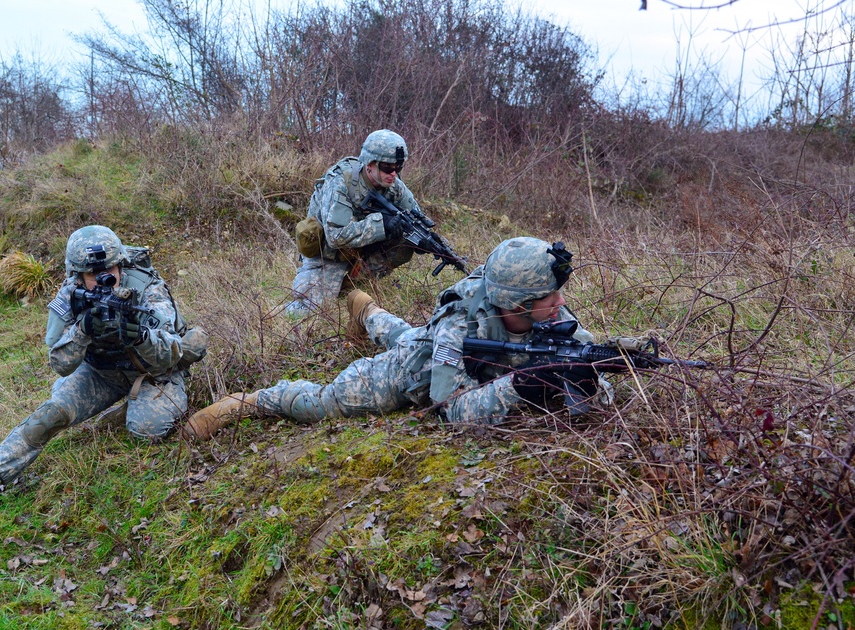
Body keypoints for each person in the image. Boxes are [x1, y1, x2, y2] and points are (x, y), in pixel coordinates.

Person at [186, 237, 613, 439]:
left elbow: (587, 359)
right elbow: (450, 409)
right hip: (419, 371)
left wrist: (588, 378)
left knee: (403, 333)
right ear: (514, 302)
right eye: (547, 296)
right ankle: (250, 401)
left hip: (441, 349)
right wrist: (522, 385)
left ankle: (368, 311)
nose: (560, 303)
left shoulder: (551, 311)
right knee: (327, 403)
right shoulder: (457, 324)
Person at [0, 225, 208, 536]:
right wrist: (83, 331)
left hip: (152, 372)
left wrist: (140, 337)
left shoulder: (147, 288)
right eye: (93, 273)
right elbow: (60, 364)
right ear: (76, 275)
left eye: (109, 269)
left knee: (146, 429)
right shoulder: (70, 295)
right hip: (101, 373)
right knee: (48, 417)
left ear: (120, 264)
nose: (104, 277)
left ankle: (128, 410)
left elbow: (169, 354)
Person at [286, 129, 424, 316]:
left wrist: (423, 239)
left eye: (398, 168)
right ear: (370, 164)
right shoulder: (341, 182)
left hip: (361, 251)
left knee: (405, 241)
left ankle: (353, 285)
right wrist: (382, 224)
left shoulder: (393, 185)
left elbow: (417, 216)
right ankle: (325, 290)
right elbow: (335, 237)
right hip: (327, 255)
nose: (393, 174)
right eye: (387, 168)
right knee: (310, 312)